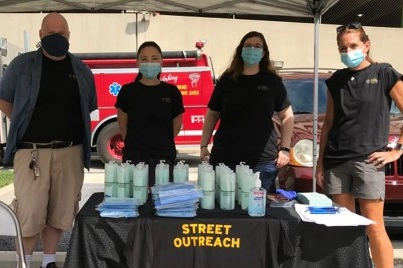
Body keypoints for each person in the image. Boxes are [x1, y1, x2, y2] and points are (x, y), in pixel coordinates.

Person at [0, 13, 97, 268]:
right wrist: (24, 123)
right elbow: (4, 99)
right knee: (30, 212)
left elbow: (88, 107)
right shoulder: (21, 65)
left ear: (69, 36)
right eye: (51, 33)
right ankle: (26, 261)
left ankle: (49, 261)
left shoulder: (81, 69)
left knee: (61, 212)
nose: (57, 37)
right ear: (41, 35)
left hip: (70, 152)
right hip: (31, 153)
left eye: (62, 33)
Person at [315, 22, 403, 268]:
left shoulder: (384, 73)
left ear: (366, 45)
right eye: (343, 48)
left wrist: (397, 150)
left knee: (373, 228)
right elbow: (329, 123)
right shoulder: (336, 80)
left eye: (353, 46)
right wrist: (321, 163)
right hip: (336, 162)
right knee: (345, 230)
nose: (348, 51)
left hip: (369, 161)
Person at [200, 31, 294, 193]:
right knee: (225, 209)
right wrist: (203, 145)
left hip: (262, 161)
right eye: (248, 46)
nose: (252, 49)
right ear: (240, 50)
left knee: (260, 212)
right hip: (225, 159)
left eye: (257, 46)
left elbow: (287, 115)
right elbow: (212, 114)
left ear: (264, 53)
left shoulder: (272, 81)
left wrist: (285, 149)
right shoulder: (227, 80)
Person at [115, 41, 185, 186]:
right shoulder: (127, 91)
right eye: (144, 59)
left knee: (163, 205)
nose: (149, 63)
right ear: (137, 63)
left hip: (164, 159)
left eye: (154, 58)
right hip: (134, 158)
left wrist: (160, 142)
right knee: (137, 202)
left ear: (161, 62)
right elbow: (123, 128)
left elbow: (176, 127)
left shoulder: (172, 92)